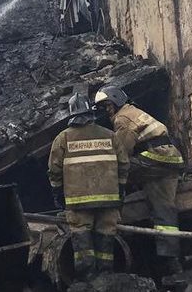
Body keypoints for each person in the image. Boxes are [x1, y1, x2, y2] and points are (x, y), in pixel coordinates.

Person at [94, 85, 185, 274]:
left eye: (108, 105)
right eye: (104, 107)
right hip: (170, 160)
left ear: (117, 100)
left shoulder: (122, 118)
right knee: (164, 209)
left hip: (155, 159)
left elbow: (121, 153)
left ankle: (108, 212)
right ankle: (171, 262)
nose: (106, 110)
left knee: (114, 170)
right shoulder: (133, 111)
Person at [48, 94, 129, 279]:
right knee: (106, 236)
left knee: (81, 237)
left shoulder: (63, 138)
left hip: (78, 202)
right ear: (90, 113)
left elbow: (54, 170)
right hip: (108, 200)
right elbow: (124, 164)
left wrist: (58, 193)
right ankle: (107, 277)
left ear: (71, 115)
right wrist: (121, 188)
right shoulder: (110, 136)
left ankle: (87, 278)